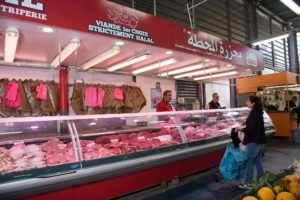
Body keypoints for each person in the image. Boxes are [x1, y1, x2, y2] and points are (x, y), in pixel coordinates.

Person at [238, 95, 266, 189]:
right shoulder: (258, 112)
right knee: (257, 161)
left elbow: (251, 129)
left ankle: (248, 183)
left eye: (248, 101)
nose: (246, 102)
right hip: (261, 140)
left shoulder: (254, 113)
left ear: (253, 103)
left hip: (254, 141)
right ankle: (261, 180)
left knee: (249, 161)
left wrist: (241, 129)